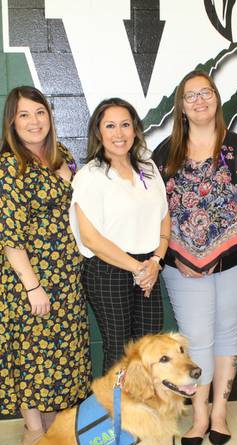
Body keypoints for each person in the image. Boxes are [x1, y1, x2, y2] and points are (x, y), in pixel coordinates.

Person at [152, 71, 237, 445]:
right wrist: (175, 253)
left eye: (206, 93)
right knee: (195, 337)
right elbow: (154, 213)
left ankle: (219, 413)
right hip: (180, 265)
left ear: (217, 99)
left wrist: (220, 254)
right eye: (190, 96)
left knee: (227, 331)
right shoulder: (165, 154)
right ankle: (198, 416)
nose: (199, 101)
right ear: (180, 106)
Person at [0, 86, 92, 445]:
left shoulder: (60, 155)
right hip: (27, 282)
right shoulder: (8, 166)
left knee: (62, 355)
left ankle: (57, 430)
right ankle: (34, 432)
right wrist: (33, 287)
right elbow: (8, 236)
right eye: (24, 115)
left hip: (65, 277)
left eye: (39, 112)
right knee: (31, 356)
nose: (34, 122)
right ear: (11, 123)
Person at [70, 98, 169, 370]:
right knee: (119, 349)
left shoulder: (147, 167)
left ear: (135, 129)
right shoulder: (90, 175)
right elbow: (91, 239)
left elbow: (164, 217)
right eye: (110, 126)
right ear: (98, 132)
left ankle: (142, 411)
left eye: (125, 125)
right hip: (109, 271)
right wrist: (138, 268)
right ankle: (116, 412)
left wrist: (156, 262)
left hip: (149, 267)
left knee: (148, 348)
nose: (119, 133)